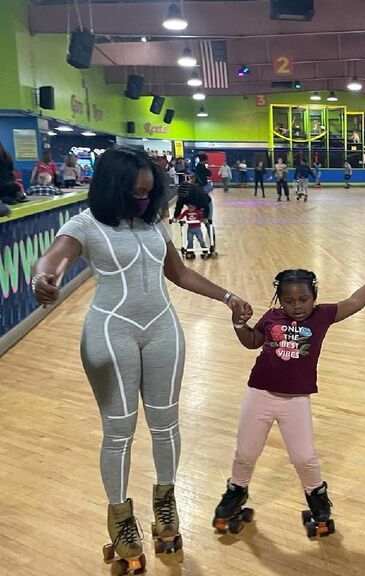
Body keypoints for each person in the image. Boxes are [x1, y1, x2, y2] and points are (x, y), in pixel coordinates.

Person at [31, 147, 252, 570]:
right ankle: (121, 518)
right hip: (111, 333)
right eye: (135, 193)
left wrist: (228, 297)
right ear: (113, 187)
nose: (143, 201)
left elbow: (179, 273)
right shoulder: (85, 224)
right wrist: (46, 277)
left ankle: (165, 503)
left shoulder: (153, 223)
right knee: (119, 432)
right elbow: (54, 258)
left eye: (148, 193)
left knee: (166, 423)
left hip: (163, 328)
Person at [213, 269, 365, 535]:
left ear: (314, 296)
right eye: (289, 301)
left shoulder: (323, 315)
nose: (297, 306)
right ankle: (236, 490)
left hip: (296, 400)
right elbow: (252, 342)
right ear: (279, 300)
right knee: (245, 452)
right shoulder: (271, 317)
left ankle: (317, 496)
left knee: (304, 457)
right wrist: (238, 324)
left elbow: (353, 302)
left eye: (303, 299)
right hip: (260, 393)